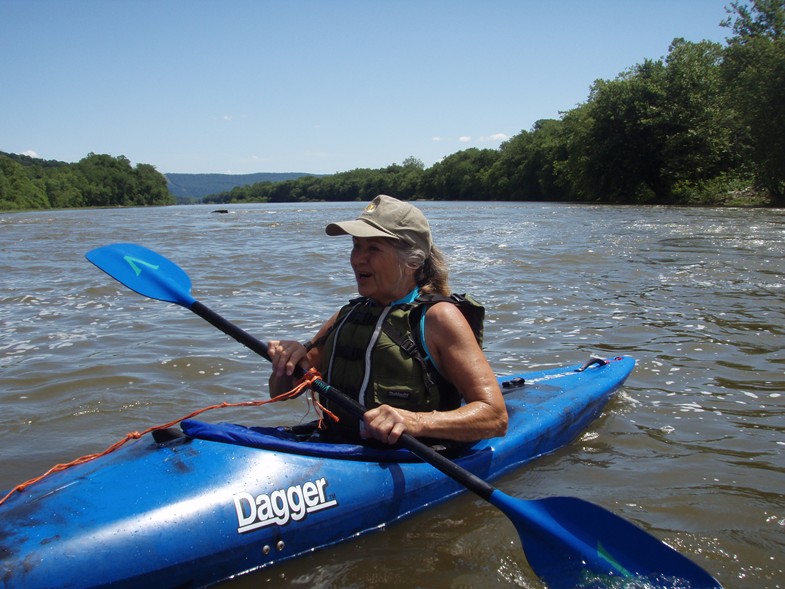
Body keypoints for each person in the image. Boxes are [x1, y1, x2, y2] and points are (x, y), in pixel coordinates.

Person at [268, 195, 508, 446]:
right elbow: (281, 392)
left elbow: (495, 417)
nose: (358, 258)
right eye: (356, 246)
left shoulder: (439, 318)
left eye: (373, 249)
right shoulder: (347, 315)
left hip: (407, 458)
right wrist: (286, 362)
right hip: (338, 448)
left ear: (413, 261)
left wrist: (416, 422)